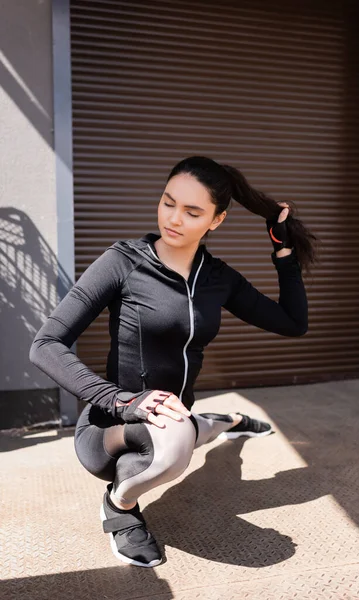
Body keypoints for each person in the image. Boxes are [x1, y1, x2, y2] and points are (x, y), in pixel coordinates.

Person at [30, 156, 317, 568]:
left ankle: (230, 421)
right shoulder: (123, 262)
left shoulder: (218, 279)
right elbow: (45, 344)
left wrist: (284, 254)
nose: (174, 218)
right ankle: (120, 506)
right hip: (111, 430)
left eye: (192, 211)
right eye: (168, 202)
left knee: (186, 429)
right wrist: (121, 401)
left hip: (174, 420)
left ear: (216, 221)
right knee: (177, 438)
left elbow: (292, 324)